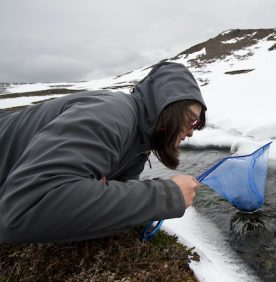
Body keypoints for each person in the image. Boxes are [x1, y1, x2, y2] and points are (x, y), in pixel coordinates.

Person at [0, 62, 207, 244]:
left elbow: (113, 200)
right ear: (168, 106)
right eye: (191, 120)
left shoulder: (139, 146)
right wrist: (168, 196)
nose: (191, 131)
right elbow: (22, 210)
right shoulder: (112, 114)